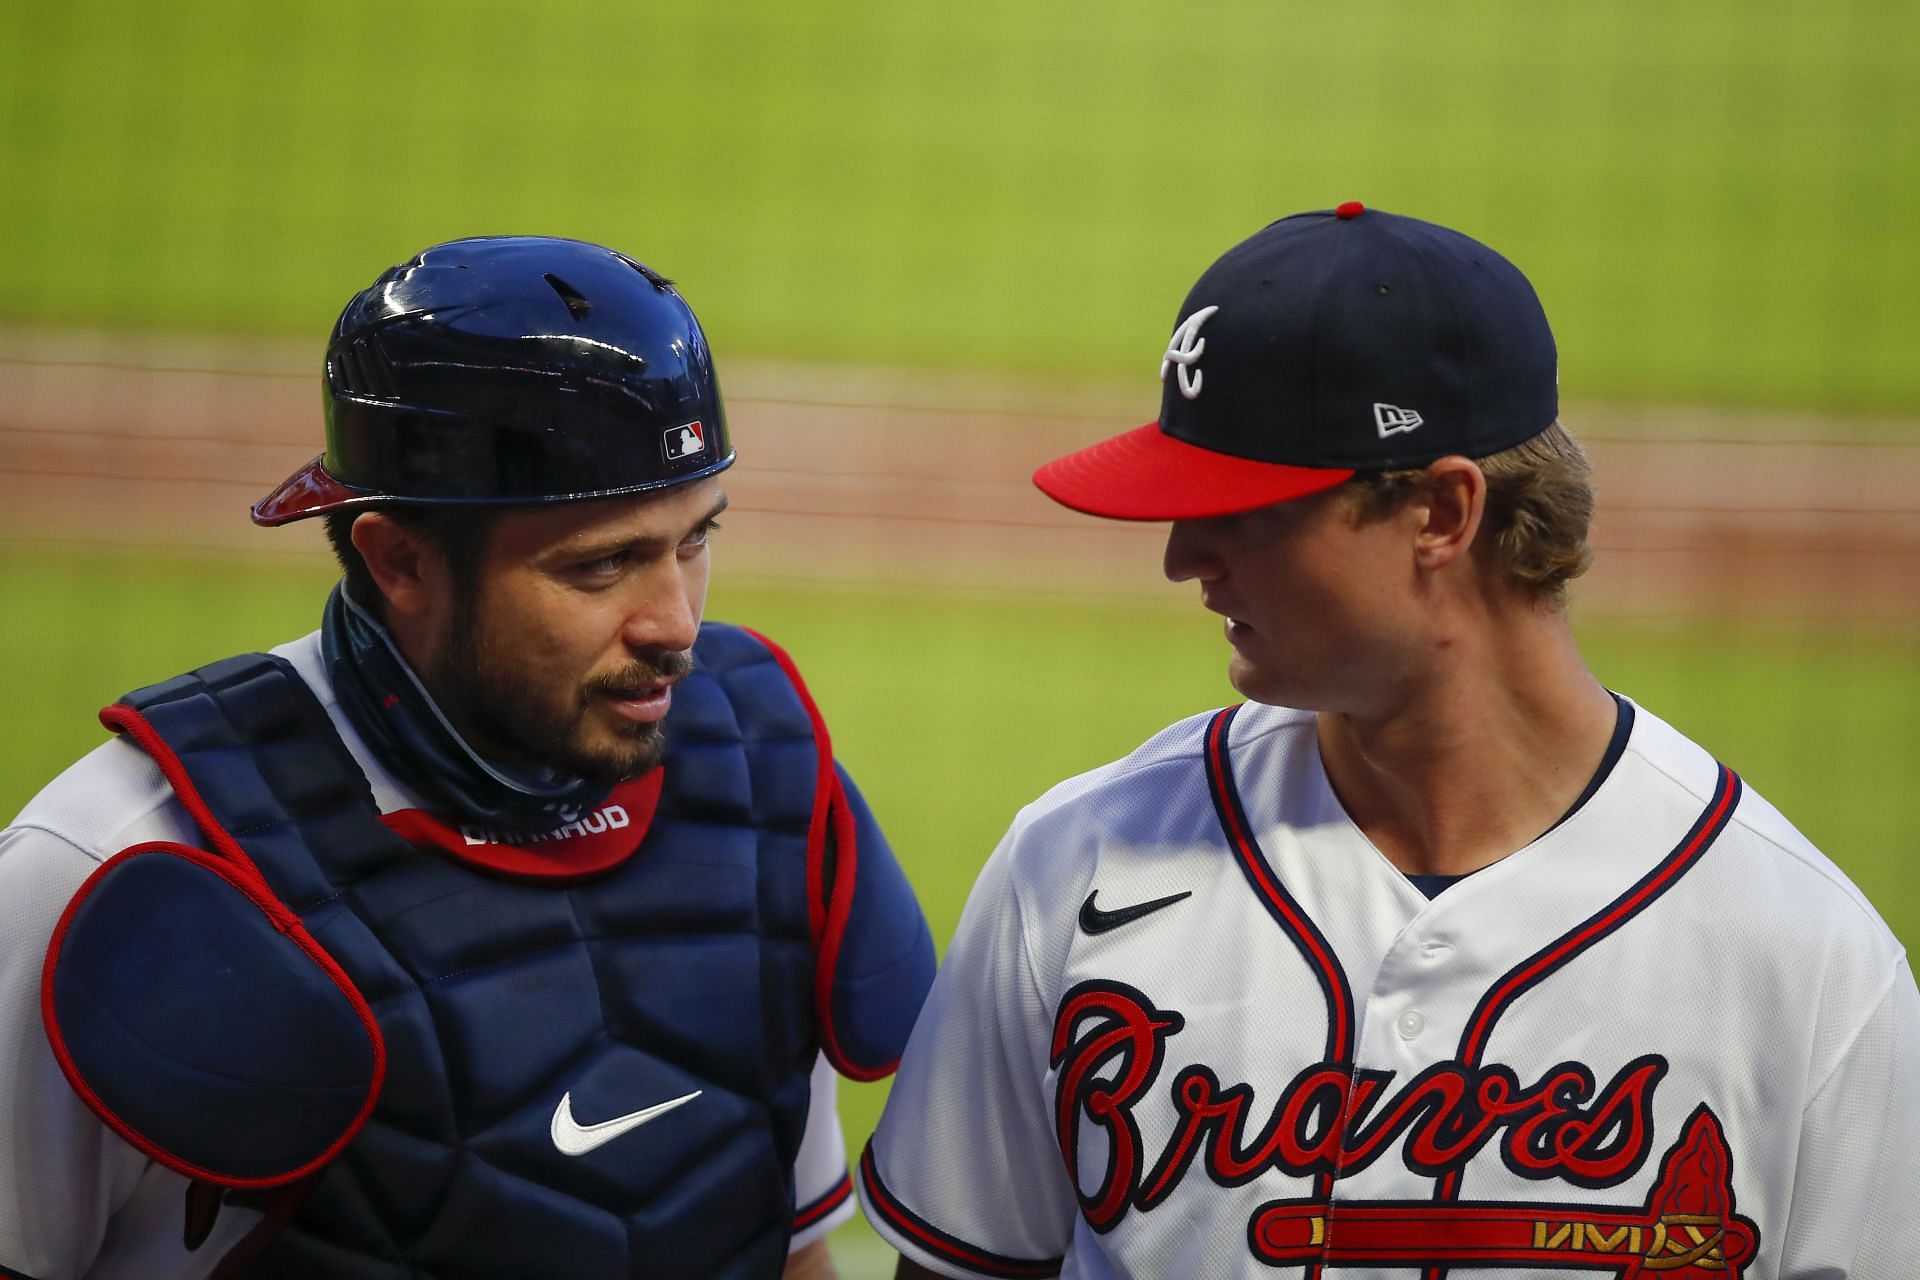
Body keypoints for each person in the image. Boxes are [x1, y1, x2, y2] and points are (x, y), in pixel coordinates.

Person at [857, 203, 1920, 1278]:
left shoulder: (1808, 963)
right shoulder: (1074, 865)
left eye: (1250, 507)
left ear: (1442, 513)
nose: (1183, 558)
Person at [0, 236, 935, 1279]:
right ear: (399, 558)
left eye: (693, 539)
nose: (675, 622)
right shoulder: (117, 866)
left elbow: (784, 1244)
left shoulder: (755, 780)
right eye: (601, 564)